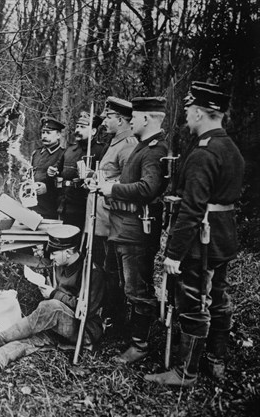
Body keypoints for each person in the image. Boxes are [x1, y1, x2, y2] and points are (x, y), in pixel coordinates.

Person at [145, 82, 244, 387]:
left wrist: (173, 253)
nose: (186, 118)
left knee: (193, 300)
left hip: (202, 239)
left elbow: (193, 208)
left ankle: (185, 372)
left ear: (200, 113)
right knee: (217, 297)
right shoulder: (229, 147)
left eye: (188, 111)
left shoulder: (203, 152)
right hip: (223, 237)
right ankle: (215, 361)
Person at [0, 225, 105, 368]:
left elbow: (86, 309)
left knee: (50, 307)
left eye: (54, 253)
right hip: (61, 324)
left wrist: (53, 294)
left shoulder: (92, 272)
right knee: (32, 340)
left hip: (84, 329)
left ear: (68, 252)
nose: (50, 257)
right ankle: (0, 356)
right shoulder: (60, 263)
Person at [99, 97, 168, 364]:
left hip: (137, 232)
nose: (132, 121)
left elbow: (149, 189)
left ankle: (140, 345)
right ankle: (129, 334)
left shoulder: (153, 150)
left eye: (135, 116)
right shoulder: (142, 147)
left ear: (147, 119)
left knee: (138, 290)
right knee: (130, 287)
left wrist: (112, 188)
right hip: (125, 229)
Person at [88, 97, 138, 328]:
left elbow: (130, 182)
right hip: (103, 217)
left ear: (121, 119)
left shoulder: (128, 144)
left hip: (113, 220)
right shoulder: (115, 142)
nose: (104, 121)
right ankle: (107, 314)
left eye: (108, 117)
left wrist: (107, 184)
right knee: (106, 269)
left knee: (114, 273)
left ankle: (114, 319)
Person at [56, 112, 105, 230]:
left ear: (93, 131)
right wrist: (53, 172)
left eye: (82, 127)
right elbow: (58, 169)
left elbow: (105, 176)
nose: (77, 130)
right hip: (66, 204)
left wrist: (91, 174)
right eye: (77, 126)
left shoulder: (101, 150)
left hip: (86, 205)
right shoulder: (70, 150)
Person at [29, 116, 65, 219]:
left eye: (48, 133)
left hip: (49, 207)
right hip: (31, 204)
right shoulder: (36, 153)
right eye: (43, 133)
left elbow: (64, 180)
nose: (44, 136)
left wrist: (48, 188)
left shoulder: (63, 154)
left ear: (58, 135)